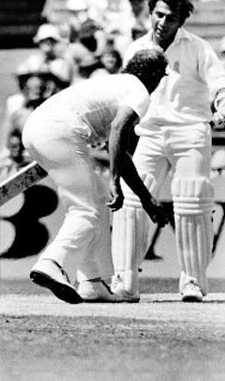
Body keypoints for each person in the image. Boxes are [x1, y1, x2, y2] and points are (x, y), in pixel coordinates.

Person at [111, 0, 225, 303]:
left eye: (170, 18)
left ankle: (192, 282)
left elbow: (220, 82)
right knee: (130, 202)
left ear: (181, 20)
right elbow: (123, 92)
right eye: (158, 15)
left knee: (192, 202)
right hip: (150, 134)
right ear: (150, 12)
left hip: (190, 133)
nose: (162, 23)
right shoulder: (136, 49)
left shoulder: (197, 47)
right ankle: (126, 281)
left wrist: (224, 103)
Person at [23, 49, 172, 304]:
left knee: (99, 203)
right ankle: (52, 262)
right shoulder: (139, 91)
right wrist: (115, 180)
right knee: (86, 210)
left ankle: (93, 282)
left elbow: (119, 149)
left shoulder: (116, 84)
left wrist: (145, 199)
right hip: (61, 130)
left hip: (36, 129)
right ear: (155, 76)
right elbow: (118, 129)